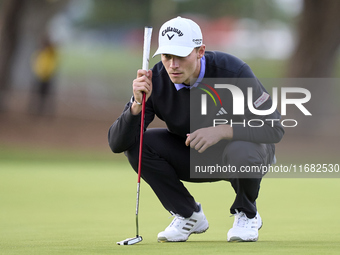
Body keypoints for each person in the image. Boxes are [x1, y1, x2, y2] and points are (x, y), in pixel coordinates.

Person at [108, 17, 284, 243]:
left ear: (200, 51)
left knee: (242, 150)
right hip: (194, 156)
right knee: (139, 145)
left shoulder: (233, 71)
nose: (173, 65)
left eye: (181, 56)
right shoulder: (156, 80)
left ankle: (247, 213)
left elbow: (274, 128)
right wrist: (136, 105)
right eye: (166, 56)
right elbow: (117, 144)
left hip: (246, 153)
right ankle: (188, 214)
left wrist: (222, 131)